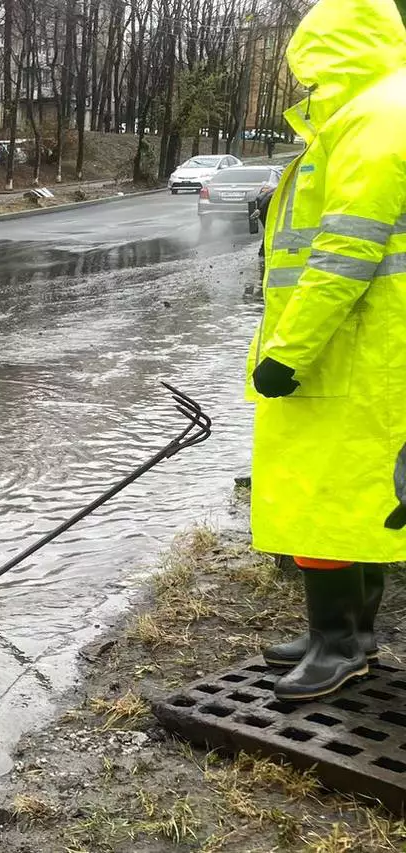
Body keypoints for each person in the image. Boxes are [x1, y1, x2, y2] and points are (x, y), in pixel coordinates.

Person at [249, 0, 406, 701]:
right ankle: (350, 635)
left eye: (311, 66)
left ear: (337, 49)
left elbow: (346, 250)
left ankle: (337, 644)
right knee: (354, 494)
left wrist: (289, 351)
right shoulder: (378, 110)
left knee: (321, 496)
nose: (304, 81)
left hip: (349, 349)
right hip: (366, 347)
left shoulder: (375, 118)